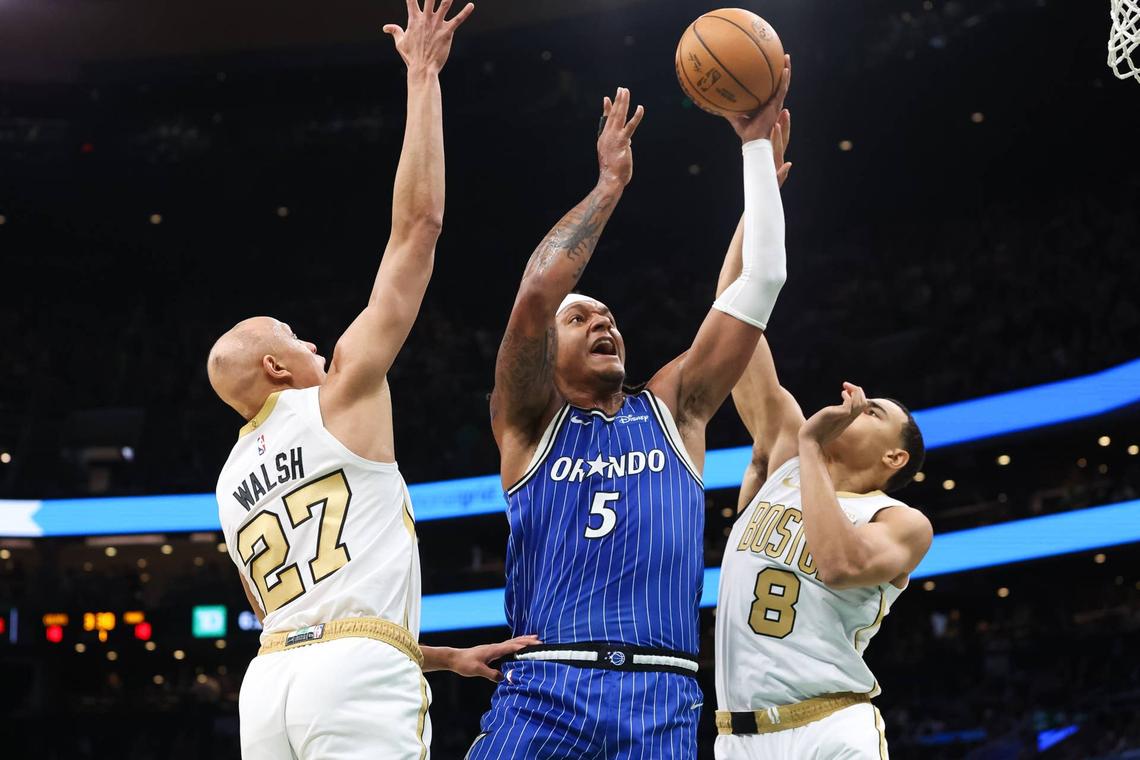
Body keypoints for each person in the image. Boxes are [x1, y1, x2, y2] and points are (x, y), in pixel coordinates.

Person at [206, 3, 534, 758]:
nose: (316, 340)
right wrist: (423, 78)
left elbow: (311, 620)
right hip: (354, 679)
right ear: (276, 367)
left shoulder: (227, 483)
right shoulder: (339, 392)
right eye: (295, 335)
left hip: (270, 688)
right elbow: (418, 229)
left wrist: (447, 658)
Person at [468, 59, 792, 759]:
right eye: (580, 318)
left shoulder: (675, 409)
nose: (601, 323)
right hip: (544, 688)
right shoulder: (526, 424)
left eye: (608, 317)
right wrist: (610, 184)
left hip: (663, 697)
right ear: (547, 351)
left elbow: (759, 283)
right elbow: (533, 297)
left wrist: (756, 150)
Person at [711, 109, 933, 759]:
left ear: (895, 456)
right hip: (736, 739)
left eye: (875, 411)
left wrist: (809, 446)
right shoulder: (784, 445)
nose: (856, 403)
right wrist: (761, 196)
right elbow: (732, 307)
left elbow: (840, 565)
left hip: (830, 729)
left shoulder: (899, 521)